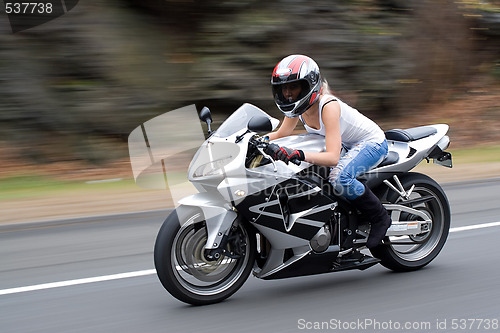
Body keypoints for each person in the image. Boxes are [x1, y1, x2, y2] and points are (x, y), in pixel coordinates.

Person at [265, 54, 391, 249]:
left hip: (371, 143)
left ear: (309, 85)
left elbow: (332, 157)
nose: (288, 93)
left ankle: (380, 218)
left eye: (294, 86)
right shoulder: (296, 108)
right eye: (284, 88)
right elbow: (283, 132)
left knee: (340, 178)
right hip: (346, 145)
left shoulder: (328, 106)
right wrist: (254, 140)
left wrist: (297, 154)